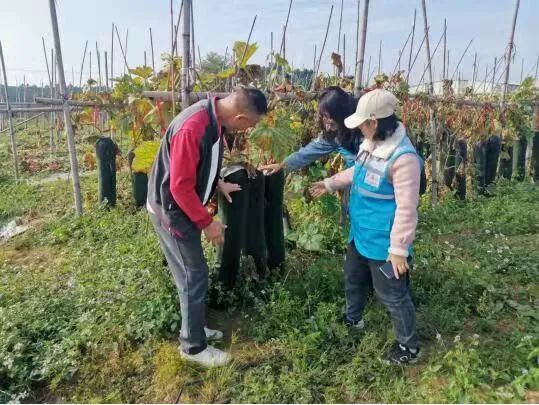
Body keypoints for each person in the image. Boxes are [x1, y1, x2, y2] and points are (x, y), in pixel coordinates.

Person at [146, 87, 268, 367]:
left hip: (182, 204)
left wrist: (216, 183)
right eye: (251, 124)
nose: (250, 129)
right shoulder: (193, 127)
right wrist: (207, 223)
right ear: (239, 117)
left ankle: (196, 327)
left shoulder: (215, 120)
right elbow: (179, 186)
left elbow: (202, 163)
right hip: (172, 210)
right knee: (194, 273)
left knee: (192, 272)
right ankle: (192, 347)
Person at [310, 89, 422, 364]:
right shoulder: (370, 144)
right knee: (353, 278)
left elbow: (407, 209)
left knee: (392, 294)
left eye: (361, 122)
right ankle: (353, 319)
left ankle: (409, 348)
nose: (358, 127)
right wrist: (330, 183)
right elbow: (357, 172)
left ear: (373, 122)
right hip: (360, 233)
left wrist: (398, 249)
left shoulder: (404, 159)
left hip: (384, 242)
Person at [259, 86, 363, 175]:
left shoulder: (366, 126)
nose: (327, 127)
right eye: (324, 119)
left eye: (330, 122)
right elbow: (307, 153)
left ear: (341, 113)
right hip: (359, 187)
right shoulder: (334, 134)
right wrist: (283, 165)